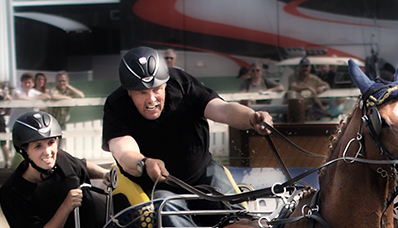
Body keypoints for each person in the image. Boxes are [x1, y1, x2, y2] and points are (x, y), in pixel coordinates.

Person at [103, 46, 273, 212]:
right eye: (142, 93)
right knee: (166, 212)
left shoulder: (182, 84)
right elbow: (123, 151)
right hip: (157, 189)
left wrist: (252, 118)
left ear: (165, 84)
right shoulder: (116, 105)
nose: (151, 99)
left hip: (205, 175)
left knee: (236, 215)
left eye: (157, 90)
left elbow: (222, 109)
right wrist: (144, 163)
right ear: (128, 91)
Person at [0, 110, 110, 228]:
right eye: (38, 146)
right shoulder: (14, 192)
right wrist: (65, 207)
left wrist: (104, 174)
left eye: (51, 142)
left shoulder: (62, 160)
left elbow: (82, 165)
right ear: (24, 151)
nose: (48, 152)